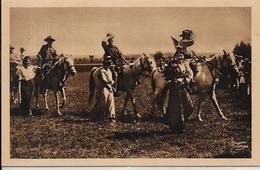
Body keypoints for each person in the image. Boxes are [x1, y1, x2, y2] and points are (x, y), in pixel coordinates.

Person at [91, 56, 116, 123]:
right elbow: (103, 81)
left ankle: (112, 116)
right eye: (110, 64)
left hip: (109, 88)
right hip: (103, 88)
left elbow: (110, 80)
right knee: (103, 102)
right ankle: (101, 116)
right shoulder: (101, 70)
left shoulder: (109, 70)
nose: (111, 65)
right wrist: (110, 86)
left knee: (111, 102)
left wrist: (112, 86)